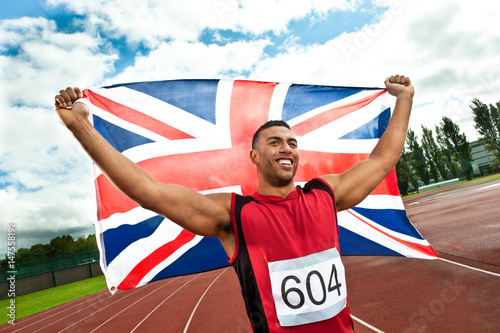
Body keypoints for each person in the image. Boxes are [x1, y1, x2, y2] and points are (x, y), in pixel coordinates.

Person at [55, 75, 414, 332]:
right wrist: (83, 129)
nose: (286, 148)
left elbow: (382, 160)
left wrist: (405, 100)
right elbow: (149, 191)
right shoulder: (234, 215)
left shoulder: (324, 195)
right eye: (274, 142)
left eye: (291, 142)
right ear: (254, 156)